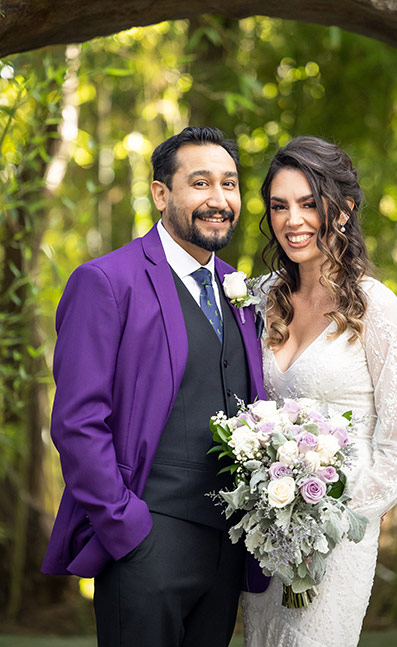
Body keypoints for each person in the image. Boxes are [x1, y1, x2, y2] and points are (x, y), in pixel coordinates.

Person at [41, 126, 270, 646]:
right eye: (201, 183)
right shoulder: (105, 282)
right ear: (162, 193)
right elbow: (77, 423)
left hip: (227, 547)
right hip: (145, 541)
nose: (219, 200)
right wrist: (126, 527)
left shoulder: (240, 290)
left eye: (230, 184)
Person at [242, 136, 397, 645]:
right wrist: (276, 516)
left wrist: (322, 521)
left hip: (336, 538)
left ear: (343, 209)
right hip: (266, 535)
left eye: (308, 203)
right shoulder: (257, 299)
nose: (292, 219)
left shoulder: (377, 307)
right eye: (279, 206)